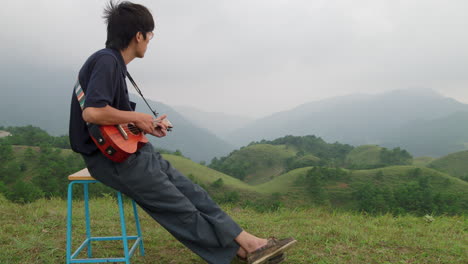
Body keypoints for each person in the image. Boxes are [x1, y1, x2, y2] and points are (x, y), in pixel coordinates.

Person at [68, 1, 296, 263]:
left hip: (132, 151)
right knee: (179, 207)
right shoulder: (106, 60)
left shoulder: (113, 64)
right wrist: (139, 116)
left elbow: (109, 123)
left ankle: (248, 242)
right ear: (138, 35)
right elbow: (93, 113)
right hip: (112, 161)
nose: (149, 41)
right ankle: (238, 253)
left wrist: (144, 126)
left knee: (194, 193)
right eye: (150, 35)